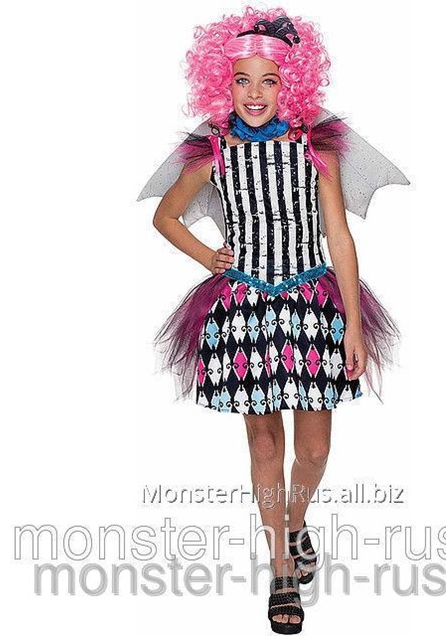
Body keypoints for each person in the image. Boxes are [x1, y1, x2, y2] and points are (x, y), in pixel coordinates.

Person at [137, 7, 409, 633]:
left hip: (312, 303)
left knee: (314, 448)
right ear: (223, 84)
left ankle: (296, 521)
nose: (255, 94)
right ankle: (281, 567)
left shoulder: (317, 148)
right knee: (264, 442)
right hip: (246, 309)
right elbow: (165, 216)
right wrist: (209, 256)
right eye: (242, 81)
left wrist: (353, 323)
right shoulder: (213, 151)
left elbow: (339, 237)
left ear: (293, 83)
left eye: (270, 81)